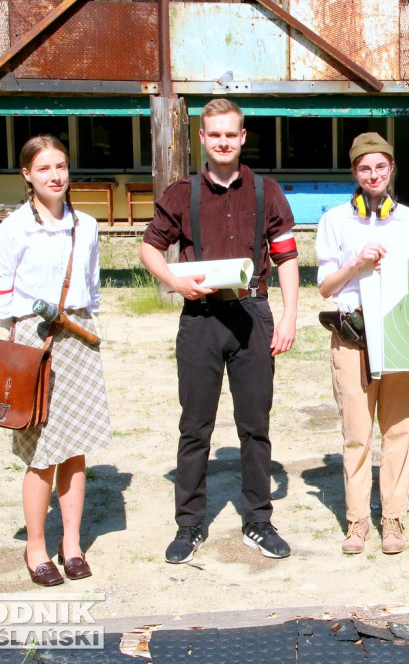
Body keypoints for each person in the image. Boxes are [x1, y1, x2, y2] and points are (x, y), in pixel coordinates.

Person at [139, 98, 299, 563]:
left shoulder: (266, 191)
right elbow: (149, 248)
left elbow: (287, 256)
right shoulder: (179, 193)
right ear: (203, 139)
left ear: (242, 137)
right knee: (195, 428)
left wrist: (288, 316)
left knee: (256, 426)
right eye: (215, 135)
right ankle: (189, 526)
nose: (224, 141)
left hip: (252, 315)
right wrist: (173, 280)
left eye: (232, 134)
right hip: (201, 319)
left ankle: (258, 520)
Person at [0, 135, 112, 586]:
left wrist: (83, 325)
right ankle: (36, 547)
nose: (55, 176)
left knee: (75, 449)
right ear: (26, 175)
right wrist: (24, 343)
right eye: (44, 169)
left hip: (79, 338)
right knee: (41, 453)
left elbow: (92, 286)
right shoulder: (14, 229)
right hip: (33, 343)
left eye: (60, 166)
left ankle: (72, 544)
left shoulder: (88, 225)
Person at [315, 132, 409, 555]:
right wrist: (355, 264)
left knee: (397, 430)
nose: (373, 174)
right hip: (352, 337)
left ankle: (393, 518)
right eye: (365, 167)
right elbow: (325, 287)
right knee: (357, 435)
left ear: (392, 169)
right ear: (355, 173)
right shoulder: (336, 221)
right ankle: (358, 521)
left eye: (381, 166)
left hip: (399, 336)